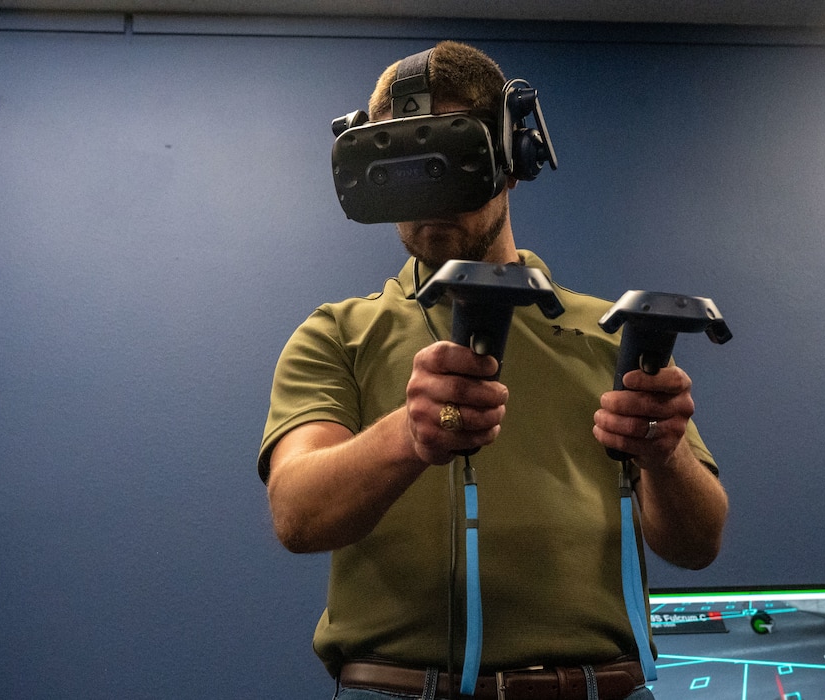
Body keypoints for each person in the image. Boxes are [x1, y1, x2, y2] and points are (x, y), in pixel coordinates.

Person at [259, 40, 729, 700]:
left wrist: (665, 456)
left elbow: (698, 543)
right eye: (401, 168)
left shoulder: (608, 335)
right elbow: (296, 514)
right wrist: (409, 436)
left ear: (514, 158)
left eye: (450, 160)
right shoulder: (337, 334)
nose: (428, 198)